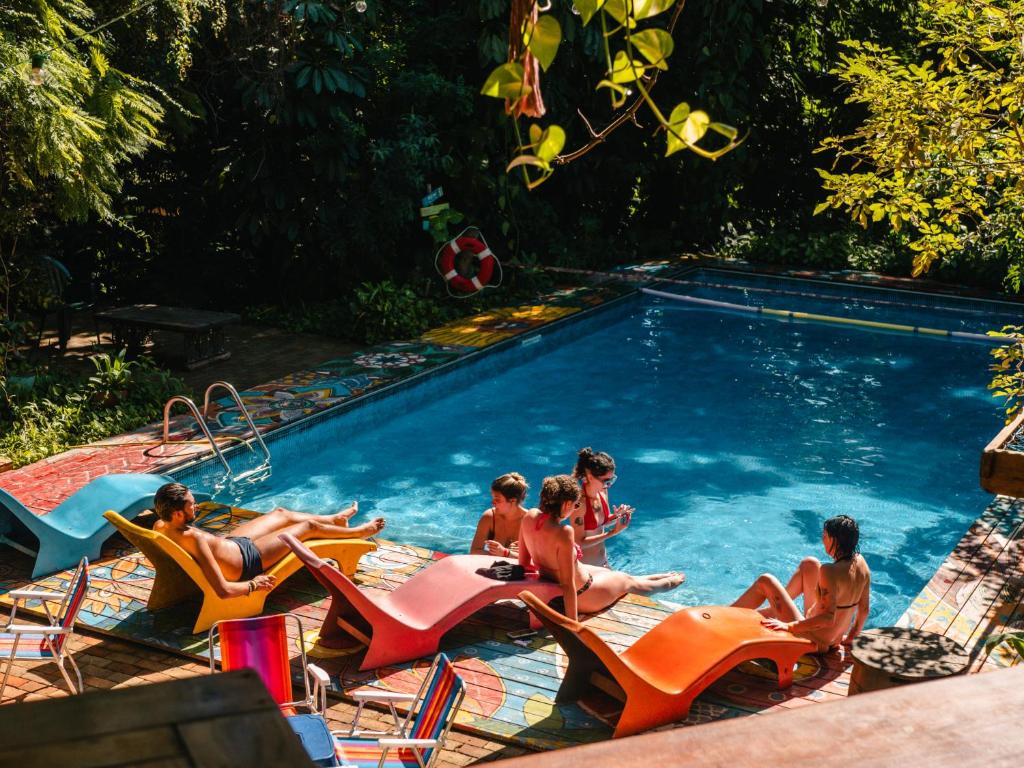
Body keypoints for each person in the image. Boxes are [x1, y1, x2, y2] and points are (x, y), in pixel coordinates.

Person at [151, 482, 386, 599]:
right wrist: (255, 584)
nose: (196, 505)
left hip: (233, 544)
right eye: (191, 504)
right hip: (248, 560)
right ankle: (359, 532)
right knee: (307, 528)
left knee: (281, 514)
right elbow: (223, 590)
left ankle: (335, 519)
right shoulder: (194, 538)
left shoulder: (160, 525)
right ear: (178, 513)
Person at [518, 475, 684, 622]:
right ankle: (669, 581)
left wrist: (541, 585)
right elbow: (568, 585)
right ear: (567, 503)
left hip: (557, 587)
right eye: (576, 505)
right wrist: (572, 625)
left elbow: (524, 563)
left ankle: (660, 577)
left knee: (618, 575)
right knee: (627, 582)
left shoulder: (529, 516)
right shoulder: (563, 532)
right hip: (583, 595)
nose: (575, 509)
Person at [732, 515, 871, 653]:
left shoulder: (829, 571)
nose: (823, 539)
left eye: (825, 535)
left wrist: (789, 627)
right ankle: (772, 610)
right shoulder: (861, 562)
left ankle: (724, 615)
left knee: (766, 581)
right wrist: (851, 637)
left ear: (834, 540)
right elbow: (864, 609)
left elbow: (828, 618)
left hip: (813, 641)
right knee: (809, 564)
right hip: (830, 638)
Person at [572, 447, 633, 567]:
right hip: (586, 568)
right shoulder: (580, 504)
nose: (609, 485)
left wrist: (616, 516)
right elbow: (578, 542)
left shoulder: (602, 492)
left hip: (603, 563)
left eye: (612, 480)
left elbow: (601, 523)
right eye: (605, 481)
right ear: (590, 476)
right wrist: (612, 533)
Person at [470, 472, 529, 557]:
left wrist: (505, 553)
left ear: (513, 500)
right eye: (492, 497)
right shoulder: (489, 517)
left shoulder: (529, 521)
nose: (492, 502)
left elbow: (538, 560)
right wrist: (504, 554)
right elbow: (474, 551)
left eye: (497, 499)